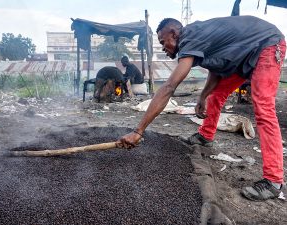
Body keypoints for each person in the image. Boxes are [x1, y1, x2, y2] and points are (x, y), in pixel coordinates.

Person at [116, 15, 286, 201]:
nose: (164, 48)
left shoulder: (189, 37)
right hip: (244, 55)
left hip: (267, 44)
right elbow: (216, 68)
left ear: (174, 34)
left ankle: (273, 181)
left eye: (164, 42)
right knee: (215, 95)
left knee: (263, 107)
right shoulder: (199, 41)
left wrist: (138, 131)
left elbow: (169, 87)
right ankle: (205, 136)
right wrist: (203, 96)